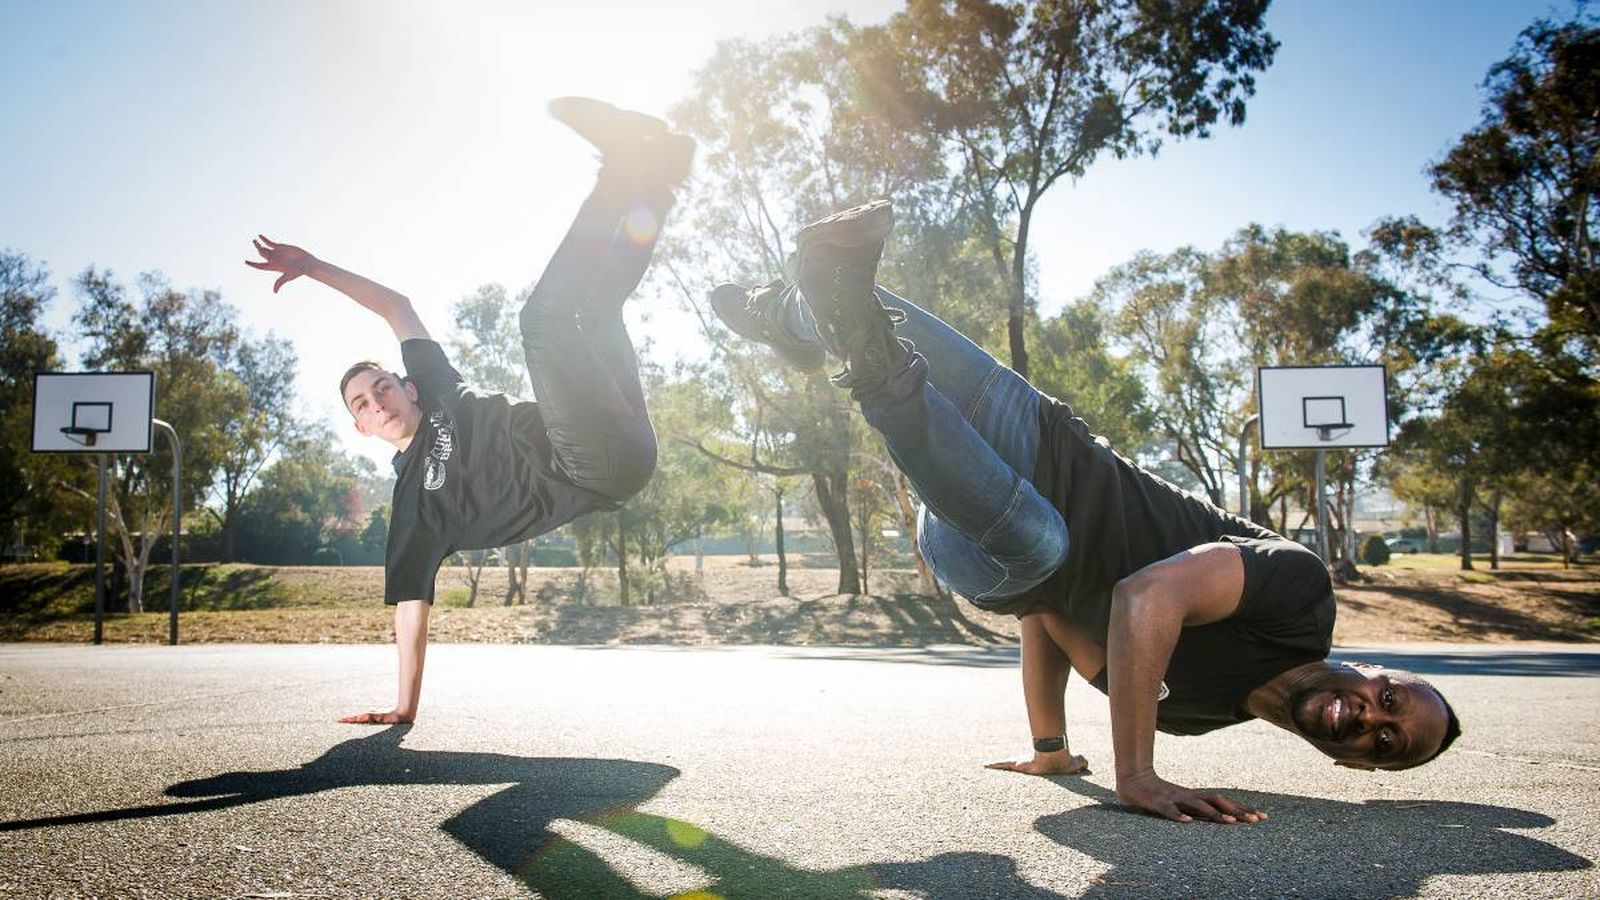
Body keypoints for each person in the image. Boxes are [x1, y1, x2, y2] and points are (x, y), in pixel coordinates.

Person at [707, 199, 1461, 825]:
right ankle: (792, 318)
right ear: (1372, 670)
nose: (1370, 718)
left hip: (985, 542)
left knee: (1040, 548)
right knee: (861, 300)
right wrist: (1094, 761)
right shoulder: (1298, 594)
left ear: (1351, 763)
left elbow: (1040, 607)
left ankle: (862, 362)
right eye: (1388, 698)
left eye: (1385, 741)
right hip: (1038, 430)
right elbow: (1144, 595)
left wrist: (1062, 741)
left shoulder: (1192, 713)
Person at [246, 98, 693, 726]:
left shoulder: (438, 386)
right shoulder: (413, 508)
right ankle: (622, 169)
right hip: (596, 470)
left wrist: (314, 267)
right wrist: (404, 707)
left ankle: (660, 181)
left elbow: (396, 306)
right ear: (362, 427)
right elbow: (411, 607)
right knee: (541, 320)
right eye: (363, 404)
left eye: (382, 385)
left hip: (620, 436)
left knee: (596, 314)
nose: (378, 400)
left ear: (409, 386)